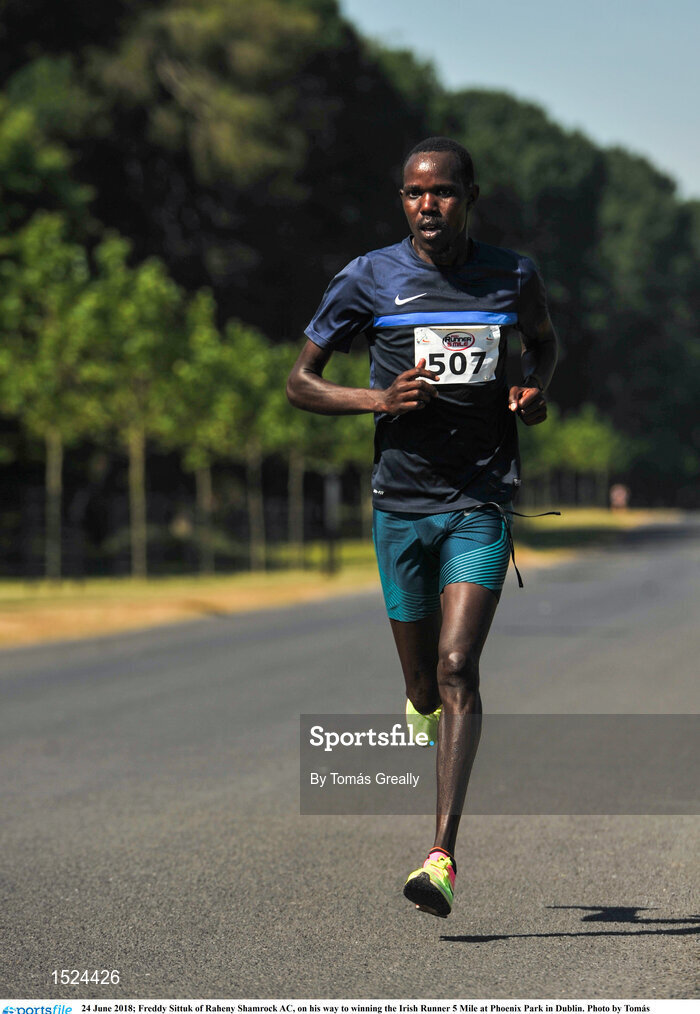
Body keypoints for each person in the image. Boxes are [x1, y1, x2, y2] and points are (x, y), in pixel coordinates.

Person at [287, 136, 558, 918]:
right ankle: (416, 703)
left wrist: (534, 392)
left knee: (456, 665)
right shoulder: (368, 277)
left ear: (471, 195)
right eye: (412, 193)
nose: (426, 205)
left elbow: (545, 346)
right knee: (420, 685)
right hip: (399, 502)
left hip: (481, 498)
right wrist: (378, 401)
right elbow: (300, 383)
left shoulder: (512, 274)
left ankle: (440, 856)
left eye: (441, 192)